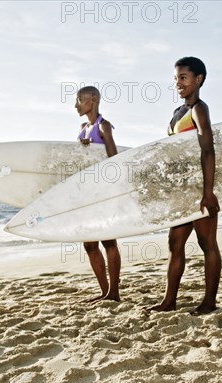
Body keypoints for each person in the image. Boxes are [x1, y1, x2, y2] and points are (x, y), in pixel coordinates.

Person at [148, 56, 222, 315]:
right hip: (180, 191)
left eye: (183, 78)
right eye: (175, 79)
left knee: (207, 244)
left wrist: (208, 192)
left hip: (199, 189)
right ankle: (169, 301)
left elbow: (208, 150)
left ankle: (209, 301)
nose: (178, 83)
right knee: (174, 244)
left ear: (198, 79)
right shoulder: (177, 112)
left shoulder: (199, 109)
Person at [74, 86, 122, 302]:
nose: (76, 105)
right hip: (86, 193)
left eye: (79, 100)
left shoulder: (104, 126)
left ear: (93, 99)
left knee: (108, 242)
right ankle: (104, 291)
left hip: (102, 192)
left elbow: (113, 159)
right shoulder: (83, 127)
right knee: (89, 244)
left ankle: (114, 292)